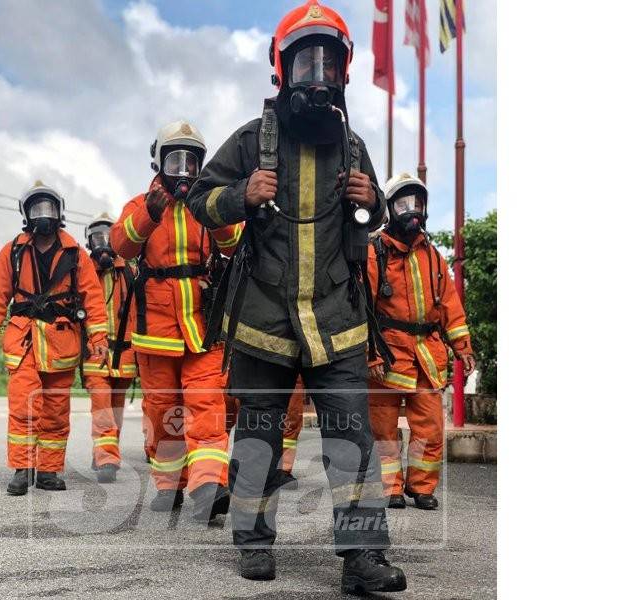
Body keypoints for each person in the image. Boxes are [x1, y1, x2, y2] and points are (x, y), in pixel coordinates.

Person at [186, 1, 407, 592]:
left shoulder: (354, 147)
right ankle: (253, 540)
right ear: (280, 68)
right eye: (305, 61)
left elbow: (370, 218)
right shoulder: (251, 140)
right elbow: (199, 200)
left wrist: (373, 200)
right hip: (265, 319)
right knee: (258, 430)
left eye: (327, 63)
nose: (317, 74)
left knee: (351, 437)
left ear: (344, 70)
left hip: (336, 320)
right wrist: (240, 195)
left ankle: (362, 558)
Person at [110, 121, 243, 522]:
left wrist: (215, 210)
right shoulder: (140, 204)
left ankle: (207, 485)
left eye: (191, 161)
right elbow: (120, 245)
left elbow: (234, 242)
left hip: (204, 330)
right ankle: (169, 485)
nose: (183, 169)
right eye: (175, 160)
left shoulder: (208, 204)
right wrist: (150, 214)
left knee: (207, 405)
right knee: (162, 413)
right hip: (156, 335)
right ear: (159, 162)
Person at [0, 181, 108, 495]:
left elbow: (92, 298)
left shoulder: (76, 253)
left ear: (59, 212)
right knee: (23, 406)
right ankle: (23, 469)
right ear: (26, 214)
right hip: (23, 343)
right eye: (37, 209)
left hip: (61, 343)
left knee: (55, 411)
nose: (43, 215)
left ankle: (48, 472)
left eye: (48, 208)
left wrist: (99, 337)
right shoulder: (13, 252)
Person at [367, 173, 475, 510]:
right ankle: (390, 488)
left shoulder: (433, 257)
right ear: (389, 210)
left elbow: (450, 306)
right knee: (382, 430)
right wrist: (371, 353)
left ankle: (421, 486)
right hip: (386, 355)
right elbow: (362, 311)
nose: (411, 211)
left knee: (429, 427)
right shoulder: (374, 253)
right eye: (403, 204)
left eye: (416, 204)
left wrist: (463, 347)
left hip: (427, 354)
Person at [81, 213, 138, 484]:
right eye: (97, 237)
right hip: (95, 353)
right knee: (102, 406)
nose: (103, 242)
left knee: (115, 410)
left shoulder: (130, 271)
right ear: (89, 242)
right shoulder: (82, 272)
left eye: (108, 236)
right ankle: (107, 458)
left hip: (124, 354)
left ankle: (105, 452)